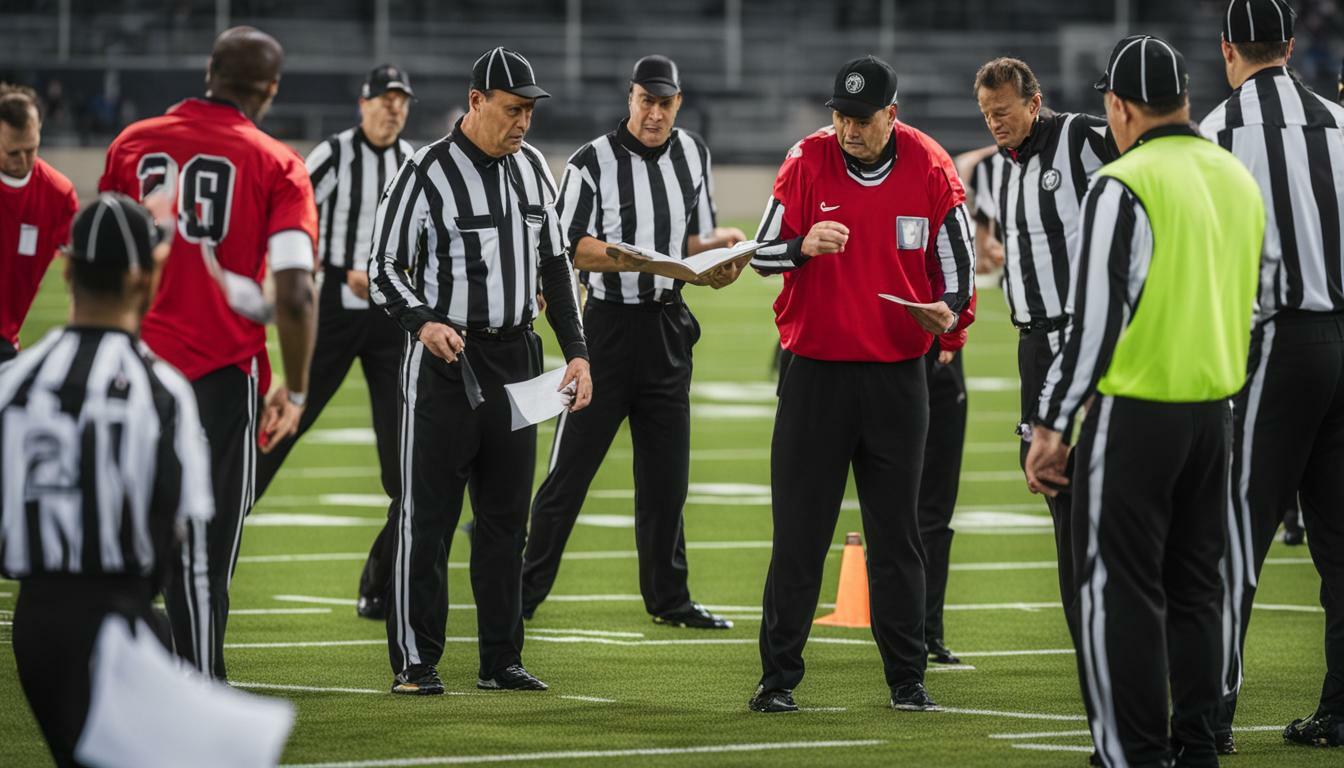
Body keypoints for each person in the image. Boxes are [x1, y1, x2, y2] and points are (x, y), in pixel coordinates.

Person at [1027, 34, 1265, 766]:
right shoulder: (1234, 176)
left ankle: (1132, 753)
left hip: (1137, 414)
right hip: (1214, 415)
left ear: (1120, 107)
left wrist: (1051, 424)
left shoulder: (1121, 183)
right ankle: (1198, 746)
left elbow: (1094, 324)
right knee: (1197, 590)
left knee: (1120, 592)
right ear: (1183, 99)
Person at [746, 55, 974, 714]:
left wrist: (946, 313)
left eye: (862, 118)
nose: (849, 129)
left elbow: (959, 274)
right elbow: (759, 253)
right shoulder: (805, 160)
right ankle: (776, 680)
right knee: (799, 535)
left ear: (891, 115)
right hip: (814, 374)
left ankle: (907, 679)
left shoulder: (931, 166)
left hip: (897, 379)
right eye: (841, 116)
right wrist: (802, 246)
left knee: (897, 535)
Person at [369, 47, 591, 696]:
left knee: (505, 521)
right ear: (476, 101)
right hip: (448, 361)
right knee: (428, 519)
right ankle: (416, 662)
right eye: (513, 109)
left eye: (529, 111)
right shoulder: (424, 172)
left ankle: (501, 659)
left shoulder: (534, 169)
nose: (523, 122)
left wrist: (577, 351)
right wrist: (422, 322)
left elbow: (556, 264)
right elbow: (383, 267)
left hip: (519, 359)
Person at [98, 26, 319, 679]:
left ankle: (122, 682)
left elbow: (101, 260)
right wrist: (296, 388)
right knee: (204, 555)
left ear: (208, 73)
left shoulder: (132, 144)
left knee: (122, 539)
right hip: (221, 375)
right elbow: (295, 293)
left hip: (134, 369)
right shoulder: (277, 163)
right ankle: (199, 688)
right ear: (271, 89)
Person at [520, 55, 744, 629]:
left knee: (667, 480)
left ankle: (670, 598)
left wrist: (723, 254)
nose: (655, 113)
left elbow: (691, 240)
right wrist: (634, 259)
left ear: (678, 103)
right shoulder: (591, 161)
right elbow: (568, 246)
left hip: (667, 327)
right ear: (631, 97)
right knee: (568, 475)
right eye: (647, 101)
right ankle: (520, 597)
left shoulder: (693, 153)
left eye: (665, 103)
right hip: (606, 331)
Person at [1, 193, 213, 768]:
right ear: (145, 277)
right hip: (122, 617)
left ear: (67, 269)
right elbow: (179, 533)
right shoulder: (160, 390)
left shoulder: (14, 381)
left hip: (34, 623)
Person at [1200, 0, 1344, 751]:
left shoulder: (1217, 133)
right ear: (1290, 46)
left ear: (1228, 49)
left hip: (1275, 345)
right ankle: (1341, 710)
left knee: (1234, 538)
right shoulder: (1340, 123)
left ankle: (1208, 717)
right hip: (1343, 339)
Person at [252, 64, 415, 621]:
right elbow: (292, 219)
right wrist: (342, 269)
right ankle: (218, 524)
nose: (393, 110)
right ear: (363, 104)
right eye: (385, 100)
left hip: (390, 321)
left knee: (406, 463)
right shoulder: (333, 154)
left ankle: (380, 582)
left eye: (401, 102)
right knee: (282, 425)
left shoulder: (412, 161)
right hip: (333, 316)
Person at [971, 57, 1115, 646]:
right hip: (1034, 345)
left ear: (1034, 102)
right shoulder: (999, 167)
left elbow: (1145, 168)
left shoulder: (1081, 137)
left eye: (1003, 112)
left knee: (1105, 485)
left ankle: (1117, 621)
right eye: (986, 114)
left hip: (1084, 338)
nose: (995, 123)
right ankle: (1087, 633)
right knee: (1052, 486)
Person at [0, 82, 78, 365]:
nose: (23, 160)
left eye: (31, 149)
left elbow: (80, 269)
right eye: (13, 152)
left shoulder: (58, 194)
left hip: (5, 343)